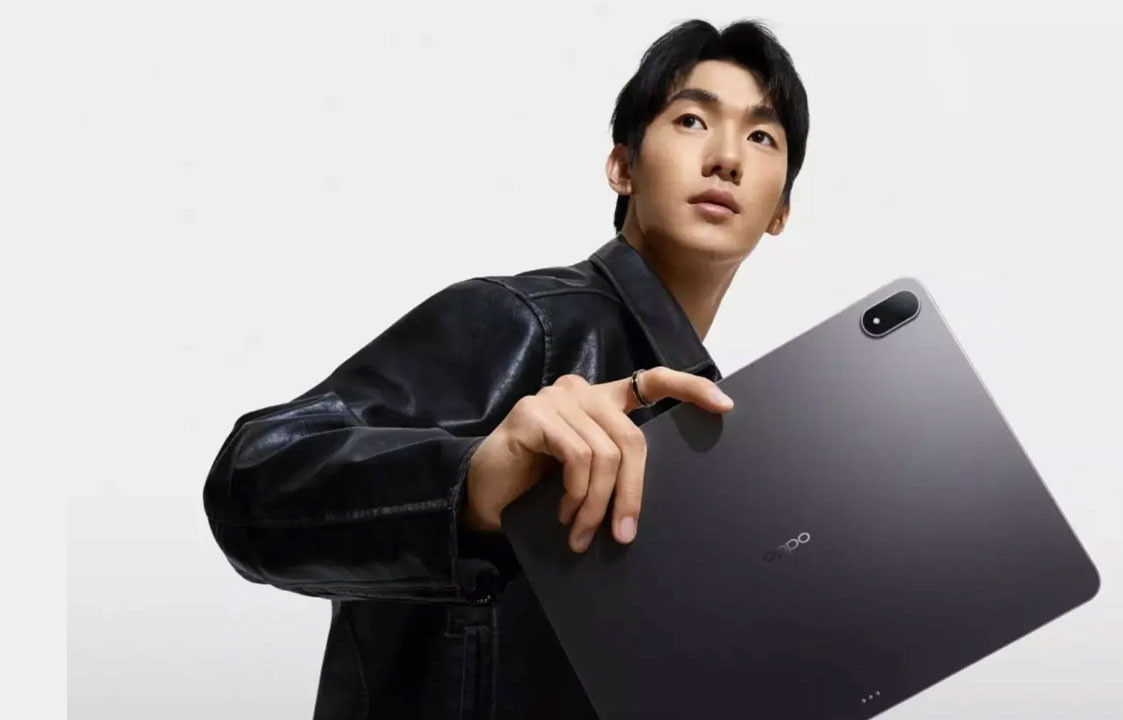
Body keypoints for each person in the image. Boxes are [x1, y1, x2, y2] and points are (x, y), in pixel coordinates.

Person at [202, 17, 809, 719]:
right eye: (692, 120)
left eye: (761, 137)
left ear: (780, 211)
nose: (728, 157)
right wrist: (472, 484)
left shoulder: (707, 424)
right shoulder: (529, 323)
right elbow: (252, 480)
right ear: (623, 167)